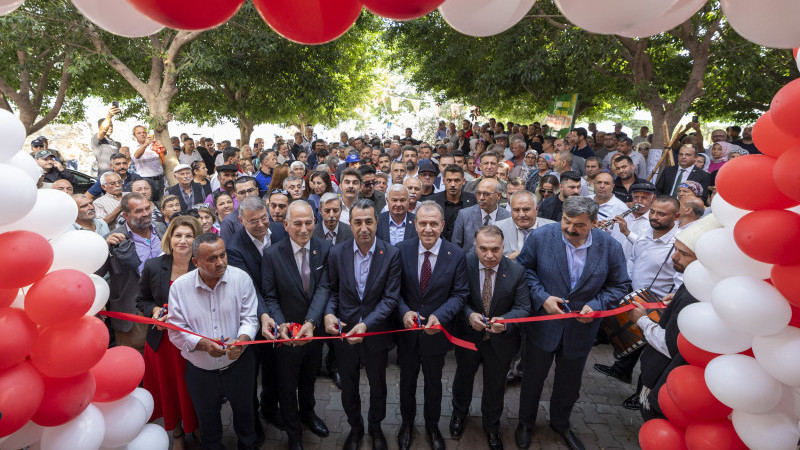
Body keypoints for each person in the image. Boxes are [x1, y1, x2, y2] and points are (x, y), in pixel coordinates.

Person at [515, 197, 631, 450]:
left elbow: (620, 285)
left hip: (581, 330)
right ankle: (525, 423)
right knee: (532, 379)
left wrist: (597, 305)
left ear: (594, 223)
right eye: (566, 221)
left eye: (579, 225)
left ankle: (561, 423)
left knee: (569, 384)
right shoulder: (541, 237)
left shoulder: (610, 247)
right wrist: (542, 297)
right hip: (543, 327)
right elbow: (523, 271)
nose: (570, 228)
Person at [168, 233, 259, 450]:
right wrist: (204, 345)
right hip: (200, 372)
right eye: (212, 259)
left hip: (239, 366)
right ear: (196, 262)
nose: (220, 263)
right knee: (208, 424)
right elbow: (176, 330)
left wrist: (241, 342)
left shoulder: (241, 279)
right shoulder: (180, 288)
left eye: (223, 255)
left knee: (246, 416)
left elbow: (250, 319)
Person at [323, 199, 401, 450]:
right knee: (349, 387)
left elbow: (390, 299)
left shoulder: (391, 254)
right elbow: (332, 291)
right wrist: (328, 313)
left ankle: (375, 427)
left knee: (378, 386)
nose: (364, 228)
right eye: (358, 222)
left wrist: (366, 325)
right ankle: (355, 428)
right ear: (350, 223)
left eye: (369, 221)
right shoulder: (337, 253)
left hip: (376, 333)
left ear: (377, 222)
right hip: (345, 333)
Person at [594, 196, 682, 409]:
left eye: (662, 214)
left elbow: (680, 281)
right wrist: (628, 286)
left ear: (676, 217)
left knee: (651, 355)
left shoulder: (678, 244)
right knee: (632, 341)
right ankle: (621, 370)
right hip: (636, 298)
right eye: (653, 211)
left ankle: (642, 394)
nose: (654, 217)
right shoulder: (644, 232)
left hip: (658, 307)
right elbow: (634, 258)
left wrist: (668, 303)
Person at [449, 226, 531, 450]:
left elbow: (523, 307)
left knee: (495, 386)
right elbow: (454, 297)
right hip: (468, 337)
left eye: (495, 249)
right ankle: (458, 415)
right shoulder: (463, 264)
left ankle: (492, 427)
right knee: (463, 378)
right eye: (483, 249)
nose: (489, 255)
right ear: (474, 247)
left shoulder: (516, 271)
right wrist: (469, 315)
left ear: (503, 247)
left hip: (501, 342)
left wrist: (505, 321)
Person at [395, 201, 468, 450]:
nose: (428, 229)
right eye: (423, 223)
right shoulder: (401, 250)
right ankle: (406, 424)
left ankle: (432, 425)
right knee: (407, 382)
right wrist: (404, 312)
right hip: (407, 334)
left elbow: (460, 294)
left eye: (434, 224)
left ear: (443, 225)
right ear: (415, 224)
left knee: (434, 384)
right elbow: (393, 291)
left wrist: (441, 315)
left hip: (436, 334)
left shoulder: (455, 255)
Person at [637, 215, 722, 421]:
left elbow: (671, 345)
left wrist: (641, 320)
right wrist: (676, 298)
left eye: (684, 253)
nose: (674, 257)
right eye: (675, 249)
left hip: (668, 381)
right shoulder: (699, 283)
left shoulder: (694, 294)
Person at [263, 201, 331, 450]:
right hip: (287, 336)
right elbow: (270, 295)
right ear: (286, 224)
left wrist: (311, 322)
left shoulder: (325, 248)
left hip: (313, 332)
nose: (304, 229)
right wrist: (282, 325)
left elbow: (324, 287)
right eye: (298, 223)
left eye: (309, 222)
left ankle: (309, 415)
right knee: (287, 385)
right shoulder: (272, 254)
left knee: (309, 378)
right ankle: (294, 434)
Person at [224, 196, 289, 437]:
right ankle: (251, 422)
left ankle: (270, 408)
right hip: (252, 317)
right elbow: (249, 287)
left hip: (280, 312)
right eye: (253, 221)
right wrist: (263, 314)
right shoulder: (234, 247)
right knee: (250, 375)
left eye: (264, 218)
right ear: (241, 221)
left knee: (275, 369)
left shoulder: (280, 231)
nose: (261, 225)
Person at [137, 216, 202, 449]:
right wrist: (154, 310)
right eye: (178, 235)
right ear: (170, 238)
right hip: (163, 343)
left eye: (189, 235)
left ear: (197, 239)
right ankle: (177, 432)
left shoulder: (203, 265)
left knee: (193, 388)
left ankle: (196, 426)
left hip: (194, 341)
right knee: (170, 390)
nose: (182, 240)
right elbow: (141, 299)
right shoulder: (154, 266)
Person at [103, 193, 167, 352]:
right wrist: (103, 249)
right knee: (136, 358)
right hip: (133, 311)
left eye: (147, 208)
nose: (145, 214)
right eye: (139, 211)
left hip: (164, 307)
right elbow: (97, 273)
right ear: (125, 215)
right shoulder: (112, 239)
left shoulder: (161, 229)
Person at [452, 178, 510, 252]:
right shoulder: (464, 215)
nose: (481, 198)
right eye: (478, 193)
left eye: (486, 194)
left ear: (498, 195)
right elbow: (455, 248)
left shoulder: (508, 217)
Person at [495, 191, 554, 259]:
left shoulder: (552, 229)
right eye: (517, 210)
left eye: (526, 209)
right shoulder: (497, 228)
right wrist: (508, 259)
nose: (522, 215)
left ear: (536, 209)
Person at [430, 164, 477, 242]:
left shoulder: (473, 200)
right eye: (449, 180)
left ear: (463, 181)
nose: (452, 185)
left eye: (457, 180)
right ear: (444, 181)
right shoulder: (433, 202)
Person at [613, 182, 658, 260]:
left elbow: (647, 246)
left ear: (653, 199)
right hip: (611, 260)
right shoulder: (621, 212)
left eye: (644, 198)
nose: (639, 201)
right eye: (636, 197)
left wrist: (627, 232)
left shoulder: (655, 221)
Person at [131, 125, 166, 203]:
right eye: (139, 133)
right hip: (145, 179)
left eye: (144, 132)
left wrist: (161, 146)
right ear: (134, 136)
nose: (142, 134)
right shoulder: (133, 146)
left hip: (160, 179)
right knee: (147, 202)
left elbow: (165, 152)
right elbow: (136, 156)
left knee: (161, 202)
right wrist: (145, 144)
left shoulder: (153, 144)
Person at [92, 105, 122, 176]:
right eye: (108, 126)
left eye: (111, 125)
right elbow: (103, 130)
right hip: (104, 177)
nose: (110, 128)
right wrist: (109, 116)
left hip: (116, 176)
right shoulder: (96, 138)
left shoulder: (113, 142)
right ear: (99, 127)